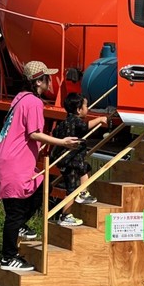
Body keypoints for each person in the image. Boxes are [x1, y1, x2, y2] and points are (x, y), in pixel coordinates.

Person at [0, 61, 80, 272]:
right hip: (13, 163)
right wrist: (63, 142)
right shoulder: (34, 102)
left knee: (39, 187)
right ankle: (8, 257)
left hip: (5, 158)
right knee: (14, 213)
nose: (51, 81)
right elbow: (33, 133)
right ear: (39, 81)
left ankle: (20, 226)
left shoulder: (20, 98)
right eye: (48, 77)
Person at [50, 93, 108, 224]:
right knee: (71, 189)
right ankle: (65, 216)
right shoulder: (76, 121)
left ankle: (83, 192)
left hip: (70, 161)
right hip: (71, 161)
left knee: (85, 168)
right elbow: (85, 127)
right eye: (86, 106)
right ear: (78, 110)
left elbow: (55, 133)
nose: (87, 108)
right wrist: (99, 119)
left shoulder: (64, 122)